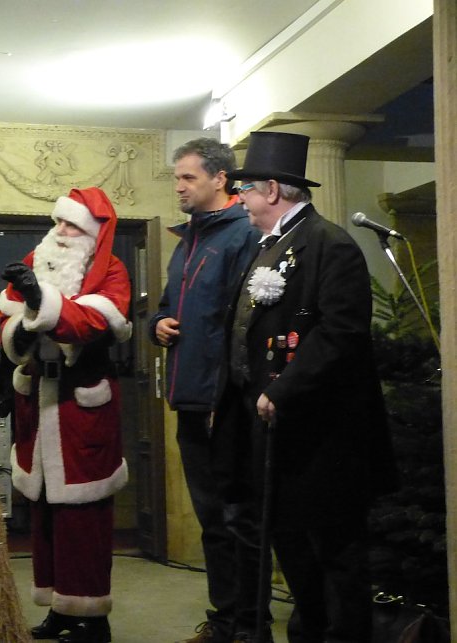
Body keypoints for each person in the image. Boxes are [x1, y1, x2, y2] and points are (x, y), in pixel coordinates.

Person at [216, 131, 397, 642]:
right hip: (273, 429)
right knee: (290, 542)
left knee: (334, 550)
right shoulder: (270, 246)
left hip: (322, 435)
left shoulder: (329, 245)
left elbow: (341, 334)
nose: (241, 200)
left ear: (273, 190)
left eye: (246, 190)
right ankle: (310, 630)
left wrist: (285, 389)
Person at [0, 187, 131, 643]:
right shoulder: (36, 259)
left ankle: (93, 618)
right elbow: (9, 322)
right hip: (39, 400)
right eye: (59, 222)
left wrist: (42, 302)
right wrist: (24, 314)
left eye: (72, 225)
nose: (60, 231)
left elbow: (95, 324)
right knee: (46, 516)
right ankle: (59, 607)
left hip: (82, 407)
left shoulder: (110, 270)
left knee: (84, 520)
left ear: (91, 234)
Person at [148, 138, 262, 643]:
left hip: (224, 401)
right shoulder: (189, 240)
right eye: (177, 178)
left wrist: (225, 394)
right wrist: (158, 323)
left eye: (188, 178)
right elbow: (169, 303)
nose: (179, 187)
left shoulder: (242, 236)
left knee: (238, 519)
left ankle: (247, 625)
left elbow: (244, 323)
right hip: (189, 396)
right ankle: (224, 618)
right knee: (212, 522)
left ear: (221, 179)